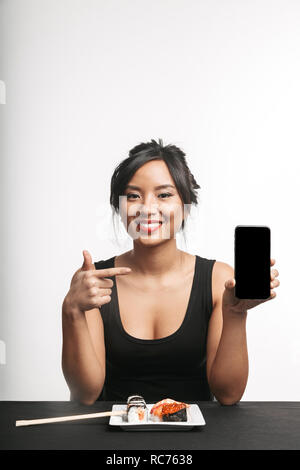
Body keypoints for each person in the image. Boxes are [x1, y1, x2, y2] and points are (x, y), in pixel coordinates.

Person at [61, 138, 280, 405]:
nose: (147, 208)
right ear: (119, 208)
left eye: (164, 195)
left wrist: (236, 313)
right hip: (115, 437)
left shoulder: (218, 279)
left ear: (186, 207)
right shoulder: (95, 281)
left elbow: (228, 394)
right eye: (133, 196)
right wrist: (71, 311)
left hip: (198, 439)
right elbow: (85, 395)